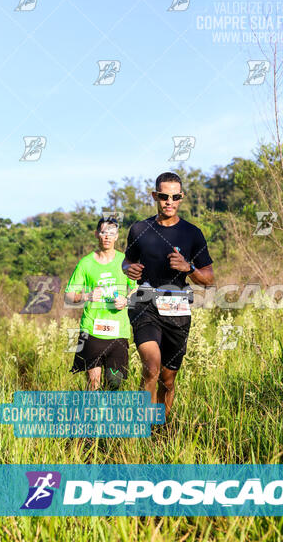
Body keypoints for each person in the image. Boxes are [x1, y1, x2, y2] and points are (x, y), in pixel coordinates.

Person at [122, 172, 214, 418]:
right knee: (151, 368)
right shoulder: (139, 229)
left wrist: (189, 268)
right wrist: (128, 269)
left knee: (167, 380)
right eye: (164, 196)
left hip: (178, 309)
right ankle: (142, 428)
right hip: (145, 304)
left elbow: (209, 279)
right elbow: (127, 261)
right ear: (155, 196)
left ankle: (162, 427)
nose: (169, 201)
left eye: (175, 197)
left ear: (181, 198)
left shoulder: (192, 234)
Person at [64, 216, 137, 390]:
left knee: (114, 383)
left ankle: (108, 416)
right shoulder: (85, 263)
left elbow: (137, 290)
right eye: (103, 232)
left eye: (111, 233)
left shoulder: (125, 261)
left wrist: (126, 300)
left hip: (119, 331)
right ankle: (93, 416)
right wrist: (86, 296)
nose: (107, 237)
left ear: (117, 236)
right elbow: (68, 296)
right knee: (93, 383)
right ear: (97, 234)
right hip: (91, 329)